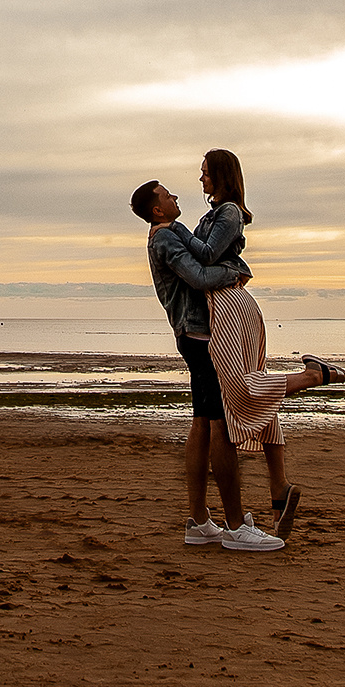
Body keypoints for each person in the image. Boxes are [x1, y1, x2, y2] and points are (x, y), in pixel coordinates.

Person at [182, 148, 345, 539]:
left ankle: (312, 376)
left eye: (205, 172)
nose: (201, 179)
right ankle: (279, 488)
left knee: (241, 388)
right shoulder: (215, 213)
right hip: (226, 305)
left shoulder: (228, 213)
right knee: (252, 389)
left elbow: (206, 256)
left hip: (228, 307)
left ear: (221, 175)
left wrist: (174, 231)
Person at [132, 179, 283, 552]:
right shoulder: (164, 239)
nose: (176, 196)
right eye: (168, 195)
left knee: (202, 422)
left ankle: (199, 520)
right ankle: (235, 527)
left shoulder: (173, 232)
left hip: (194, 333)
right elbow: (198, 277)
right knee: (220, 425)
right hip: (200, 335)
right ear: (157, 208)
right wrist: (234, 273)